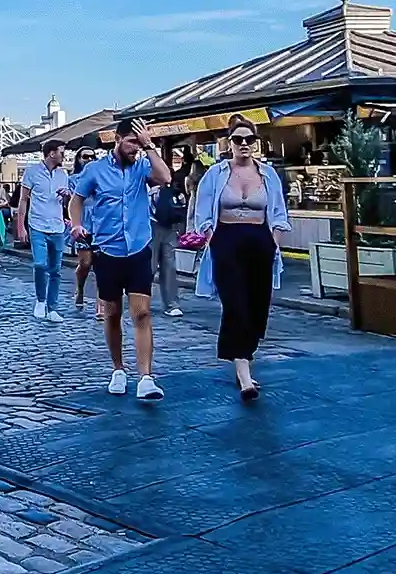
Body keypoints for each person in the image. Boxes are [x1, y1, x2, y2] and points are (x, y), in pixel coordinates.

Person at [69, 118, 174, 400]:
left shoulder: (142, 165)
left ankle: (146, 378)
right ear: (117, 139)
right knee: (113, 313)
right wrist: (76, 224)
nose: (135, 150)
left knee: (141, 312)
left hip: (139, 247)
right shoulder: (95, 170)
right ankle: (118, 369)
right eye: (131, 143)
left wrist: (150, 145)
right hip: (108, 249)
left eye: (139, 145)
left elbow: (166, 178)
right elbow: (76, 199)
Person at [193, 115, 291, 400]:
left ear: (256, 143)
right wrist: (211, 238)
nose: (244, 144)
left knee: (257, 307)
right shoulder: (217, 173)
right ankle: (244, 376)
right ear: (229, 143)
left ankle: (244, 357)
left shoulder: (268, 174)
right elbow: (202, 211)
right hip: (227, 241)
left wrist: (274, 241)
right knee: (236, 305)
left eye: (249, 139)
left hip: (260, 242)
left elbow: (279, 213)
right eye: (238, 140)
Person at [15, 139, 69, 322]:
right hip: (37, 225)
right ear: (51, 153)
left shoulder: (63, 175)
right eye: (61, 152)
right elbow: (23, 200)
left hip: (57, 226)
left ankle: (52, 308)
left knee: (56, 269)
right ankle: (40, 300)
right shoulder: (31, 172)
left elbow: (68, 204)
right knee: (40, 264)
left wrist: (67, 196)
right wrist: (20, 226)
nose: (64, 155)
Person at [149, 146, 192, 318]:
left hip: (160, 227)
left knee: (163, 265)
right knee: (160, 265)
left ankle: (168, 302)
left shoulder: (159, 190)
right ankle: (162, 302)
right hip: (157, 227)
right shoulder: (154, 189)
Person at [70, 146, 99, 317]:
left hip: (101, 223)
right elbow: (73, 200)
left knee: (102, 265)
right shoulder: (73, 179)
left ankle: (101, 302)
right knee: (86, 263)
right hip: (83, 223)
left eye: (92, 156)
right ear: (78, 159)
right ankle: (80, 288)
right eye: (85, 157)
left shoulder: (101, 177)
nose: (89, 159)